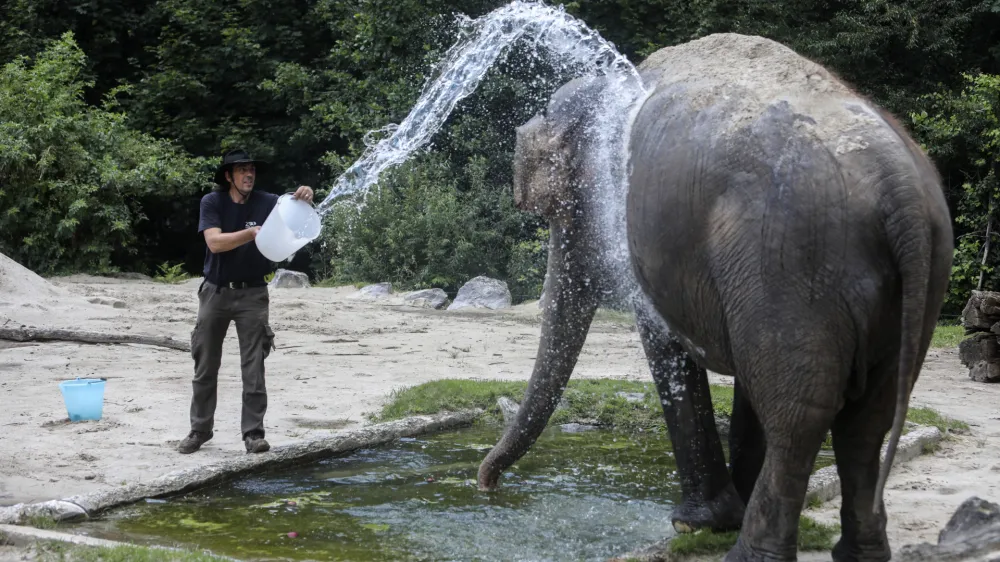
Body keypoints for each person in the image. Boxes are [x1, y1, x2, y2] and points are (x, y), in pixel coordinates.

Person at [177, 148, 313, 454]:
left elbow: (294, 206)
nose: (249, 175)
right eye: (242, 170)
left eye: (251, 169)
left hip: (253, 293)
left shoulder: (266, 202)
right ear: (228, 176)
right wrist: (250, 233)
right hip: (215, 291)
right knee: (205, 362)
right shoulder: (212, 202)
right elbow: (214, 242)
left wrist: (306, 194)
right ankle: (199, 430)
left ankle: (253, 434)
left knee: (254, 367)